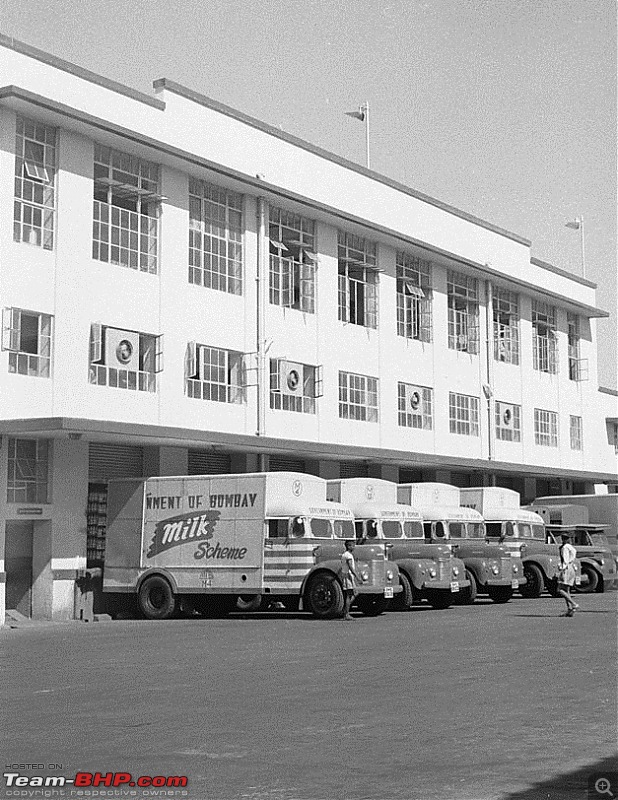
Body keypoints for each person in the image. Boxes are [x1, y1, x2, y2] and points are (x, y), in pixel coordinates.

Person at [558, 532, 580, 617]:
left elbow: (565, 560)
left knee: (560, 589)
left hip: (566, 568)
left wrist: (562, 569)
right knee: (567, 590)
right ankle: (569, 609)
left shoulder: (565, 548)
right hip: (571, 568)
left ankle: (574, 604)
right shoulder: (571, 547)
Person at [340, 539, 362, 621]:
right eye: (352, 545)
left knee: (353, 593)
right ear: (348, 546)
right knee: (349, 595)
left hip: (346, 575)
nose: (354, 547)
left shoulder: (345, 555)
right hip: (348, 576)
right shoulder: (348, 556)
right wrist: (357, 577)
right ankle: (346, 613)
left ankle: (345, 611)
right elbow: (350, 567)